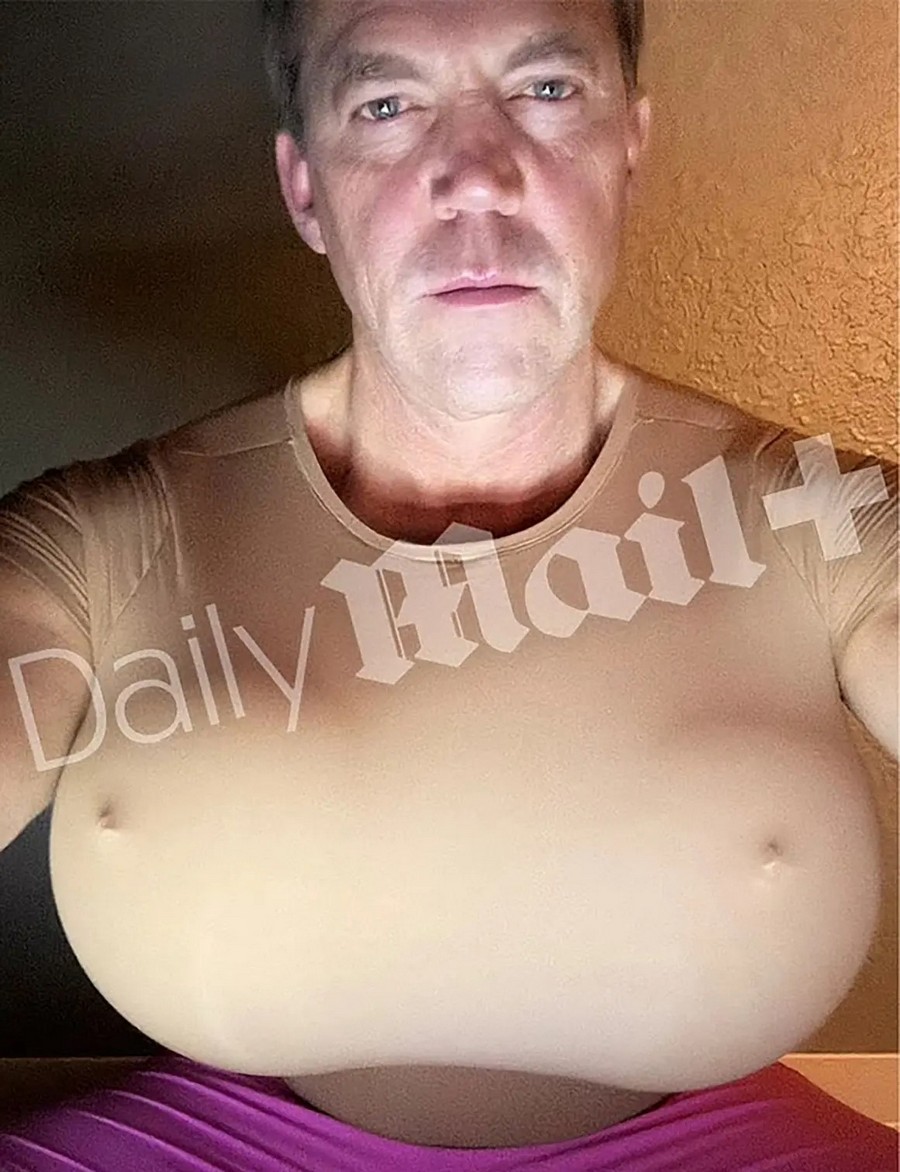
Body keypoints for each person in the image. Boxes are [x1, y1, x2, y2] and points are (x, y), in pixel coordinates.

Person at [0, 0, 896, 1167]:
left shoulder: (831, 518)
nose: (478, 176)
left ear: (630, 144)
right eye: (387, 104)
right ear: (305, 187)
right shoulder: (99, 538)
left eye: (545, 91)